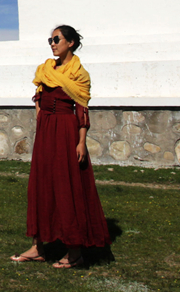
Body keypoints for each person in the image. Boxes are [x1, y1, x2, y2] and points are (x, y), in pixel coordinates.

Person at [10, 24, 110, 268]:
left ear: (70, 43)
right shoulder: (45, 69)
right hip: (46, 130)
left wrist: (81, 142)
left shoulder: (79, 74)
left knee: (67, 184)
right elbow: (38, 95)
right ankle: (37, 246)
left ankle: (74, 250)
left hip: (67, 130)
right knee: (41, 182)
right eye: (50, 40)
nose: (53, 43)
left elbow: (82, 109)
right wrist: (40, 115)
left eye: (57, 39)